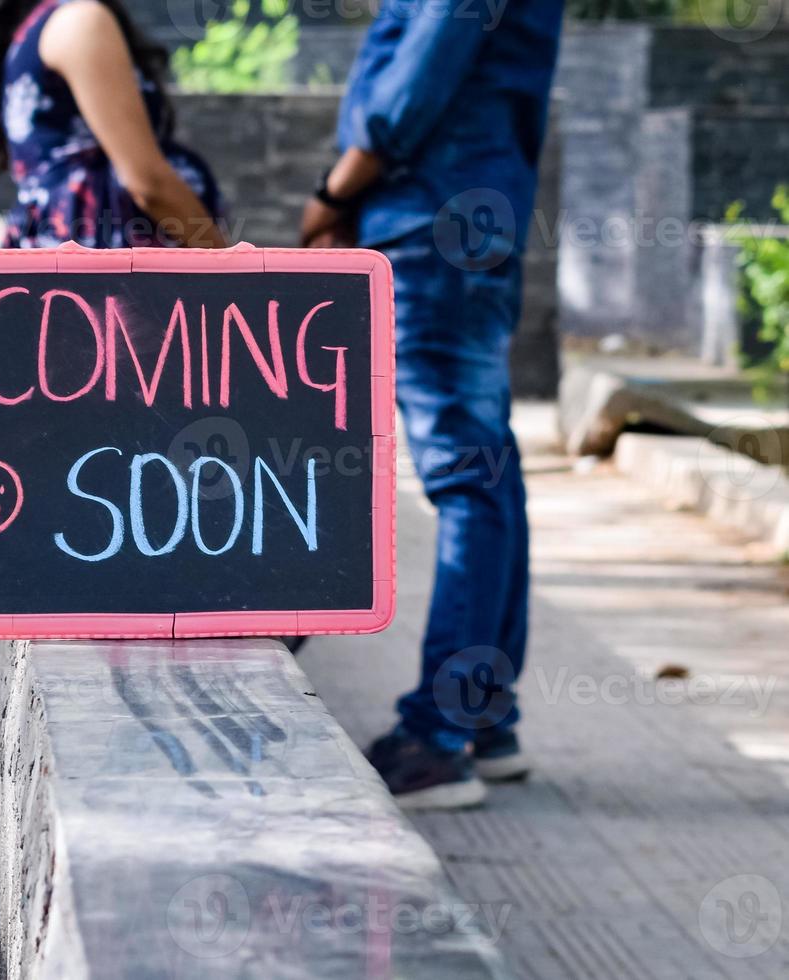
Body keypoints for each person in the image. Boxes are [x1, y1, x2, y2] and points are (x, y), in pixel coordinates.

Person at [301, 0, 564, 809]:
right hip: (472, 209)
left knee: (462, 472)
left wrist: (336, 191)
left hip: (428, 216)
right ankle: (481, 719)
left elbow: (416, 77)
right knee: (485, 464)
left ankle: (439, 739)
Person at [0, 0, 227, 249]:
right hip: (107, 258)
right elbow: (148, 183)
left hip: (72, 252)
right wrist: (235, 272)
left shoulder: (37, 29)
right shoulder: (79, 21)